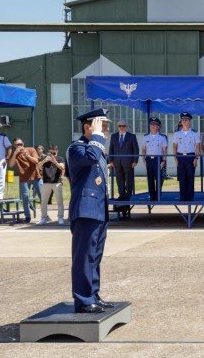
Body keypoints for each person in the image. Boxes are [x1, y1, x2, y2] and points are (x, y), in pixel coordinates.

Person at [67, 108, 113, 313]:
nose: (106, 131)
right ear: (88, 126)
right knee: (84, 257)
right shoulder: (77, 148)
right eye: (102, 126)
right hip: (85, 210)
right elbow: (91, 157)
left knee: (94, 256)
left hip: (98, 209)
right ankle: (84, 300)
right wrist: (96, 136)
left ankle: (93, 294)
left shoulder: (94, 148)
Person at [7, 138, 40, 222]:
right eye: (17, 145)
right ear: (14, 146)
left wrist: (27, 156)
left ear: (23, 143)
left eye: (20, 144)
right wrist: (15, 153)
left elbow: (36, 161)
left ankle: (45, 215)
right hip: (24, 178)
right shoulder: (15, 154)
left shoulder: (31, 149)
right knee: (25, 198)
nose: (19, 146)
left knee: (42, 196)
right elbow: (10, 165)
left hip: (35, 176)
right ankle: (27, 217)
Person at [107, 120, 139, 202]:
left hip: (128, 161)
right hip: (117, 161)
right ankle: (121, 194)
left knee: (129, 178)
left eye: (123, 126)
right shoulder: (114, 136)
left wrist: (135, 161)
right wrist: (110, 160)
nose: (121, 128)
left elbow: (136, 149)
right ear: (118, 127)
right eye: (120, 126)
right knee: (119, 178)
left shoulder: (131, 136)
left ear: (126, 127)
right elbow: (111, 148)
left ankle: (128, 195)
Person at [171, 112, 201, 201]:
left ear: (190, 121)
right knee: (182, 177)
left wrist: (196, 158)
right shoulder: (177, 134)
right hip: (180, 156)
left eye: (186, 120)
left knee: (190, 177)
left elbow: (197, 146)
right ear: (181, 121)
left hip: (191, 156)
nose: (184, 121)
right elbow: (174, 146)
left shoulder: (194, 133)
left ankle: (190, 196)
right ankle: (183, 196)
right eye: (183, 119)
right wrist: (175, 158)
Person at [36, 145, 66, 225]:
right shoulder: (44, 158)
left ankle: (60, 218)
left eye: (55, 151)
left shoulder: (60, 158)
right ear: (49, 151)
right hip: (46, 182)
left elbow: (62, 168)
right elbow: (38, 166)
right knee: (44, 202)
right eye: (51, 151)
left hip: (57, 182)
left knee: (59, 201)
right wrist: (44, 160)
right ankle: (43, 218)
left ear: (57, 151)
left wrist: (55, 162)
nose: (53, 153)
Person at [142, 117, 168, 202]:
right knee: (150, 178)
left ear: (158, 127)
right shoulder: (145, 137)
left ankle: (158, 196)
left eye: (155, 125)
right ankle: (152, 195)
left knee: (159, 178)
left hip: (158, 159)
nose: (152, 126)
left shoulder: (162, 138)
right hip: (149, 159)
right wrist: (144, 159)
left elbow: (165, 150)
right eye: (151, 124)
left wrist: (163, 161)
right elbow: (143, 149)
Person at [0, 121, 11, 200]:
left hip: (0, 158)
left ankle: (0, 194)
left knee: (0, 176)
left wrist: (7, 158)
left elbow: (9, 148)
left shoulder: (3, 137)